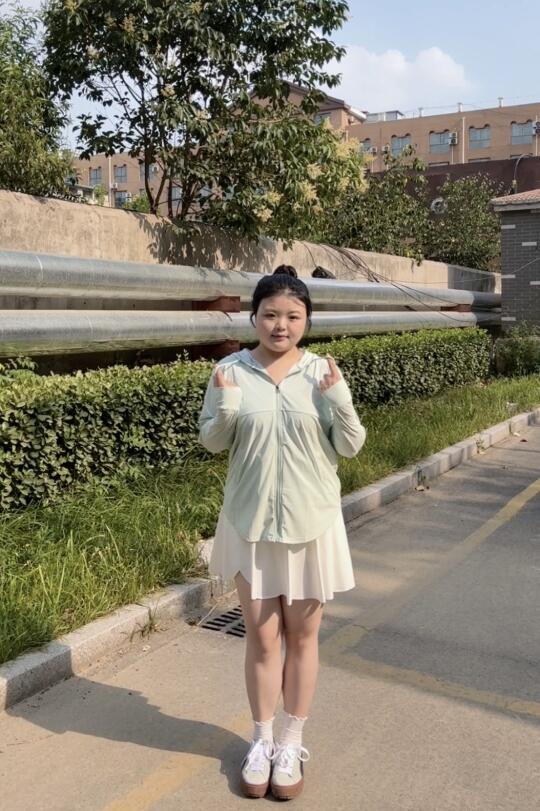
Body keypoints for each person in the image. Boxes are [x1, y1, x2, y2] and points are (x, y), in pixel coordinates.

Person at [198, 265, 366, 800]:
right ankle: (262, 741)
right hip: (250, 524)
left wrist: (338, 400)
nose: (280, 325)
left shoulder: (322, 373)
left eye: (293, 316)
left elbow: (351, 446)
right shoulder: (229, 371)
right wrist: (227, 406)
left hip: (310, 524)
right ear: (254, 317)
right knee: (262, 637)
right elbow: (211, 442)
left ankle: (292, 743)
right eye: (270, 314)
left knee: (303, 637)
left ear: (306, 321)